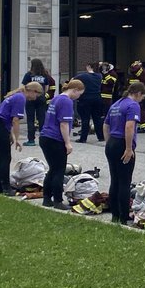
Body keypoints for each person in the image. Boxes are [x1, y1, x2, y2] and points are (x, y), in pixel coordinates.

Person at [0, 82, 43, 195]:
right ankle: (6, 187)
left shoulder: (16, 95)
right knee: (5, 158)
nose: (36, 98)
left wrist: (10, 134)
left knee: (0, 158)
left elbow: (7, 117)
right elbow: (15, 120)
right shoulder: (20, 98)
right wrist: (17, 139)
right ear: (32, 91)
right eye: (37, 94)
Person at [104, 81, 145, 224]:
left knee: (114, 180)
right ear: (139, 94)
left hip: (112, 143)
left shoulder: (115, 104)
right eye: (142, 97)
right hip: (123, 143)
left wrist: (108, 142)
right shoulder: (133, 105)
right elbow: (129, 127)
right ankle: (123, 217)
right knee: (124, 182)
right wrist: (128, 148)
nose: (141, 100)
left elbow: (106, 125)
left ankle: (114, 215)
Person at [39, 79, 83, 209]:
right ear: (74, 90)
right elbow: (63, 124)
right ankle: (58, 200)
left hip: (45, 137)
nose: (78, 97)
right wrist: (68, 143)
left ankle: (47, 198)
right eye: (79, 94)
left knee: (52, 169)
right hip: (55, 139)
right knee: (59, 170)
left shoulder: (57, 98)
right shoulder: (67, 101)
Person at [21, 58, 53, 146]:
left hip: (30, 98)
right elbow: (46, 88)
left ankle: (31, 140)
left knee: (30, 119)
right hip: (41, 97)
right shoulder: (45, 75)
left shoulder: (29, 75)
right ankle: (43, 139)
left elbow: (24, 87)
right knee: (42, 119)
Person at [74, 62, 105, 143]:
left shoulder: (82, 76)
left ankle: (83, 138)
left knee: (85, 119)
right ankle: (101, 137)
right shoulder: (99, 76)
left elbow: (72, 81)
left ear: (88, 67)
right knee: (97, 118)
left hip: (85, 99)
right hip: (97, 99)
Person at [128, 61, 145, 133]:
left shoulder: (139, 72)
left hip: (138, 93)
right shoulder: (141, 71)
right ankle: (143, 126)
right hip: (139, 93)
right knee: (140, 109)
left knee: (141, 109)